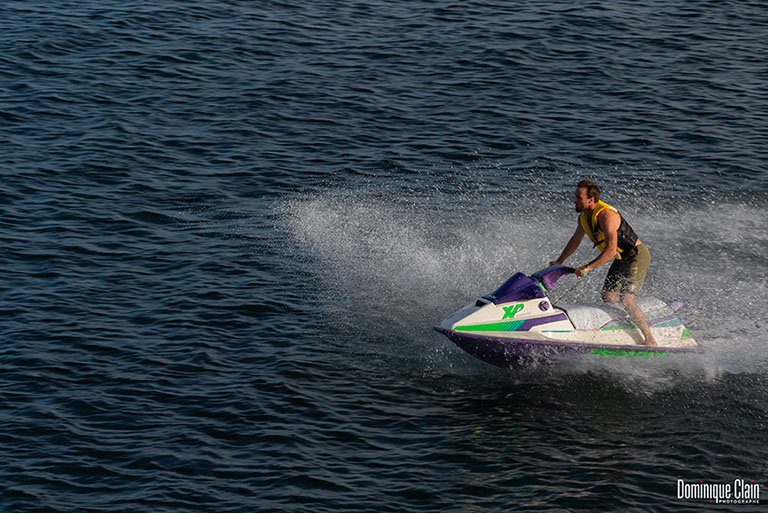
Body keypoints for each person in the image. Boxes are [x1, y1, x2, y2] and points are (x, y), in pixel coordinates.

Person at [550, 180, 658, 346]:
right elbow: (576, 239)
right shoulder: (584, 217)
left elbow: (610, 251)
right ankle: (621, 327)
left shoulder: (606, 216)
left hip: (636, 255)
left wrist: (587, 267)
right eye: (575, 196)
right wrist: (559, 261)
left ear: (591, 200)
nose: (574, 200)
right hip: (621, 258)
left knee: (626, 299)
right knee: (608, 296)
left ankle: (650, 339)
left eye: (578, 197)